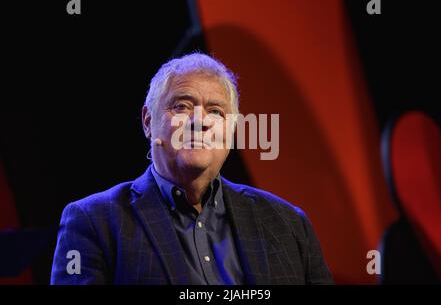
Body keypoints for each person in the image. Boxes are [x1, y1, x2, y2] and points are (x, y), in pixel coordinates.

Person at [50, 52, 333, 284]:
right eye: (182, 106)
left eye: (215, 111)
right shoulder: (94, 221)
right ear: (148, 122)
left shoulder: (288, 224)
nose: (200, 121)